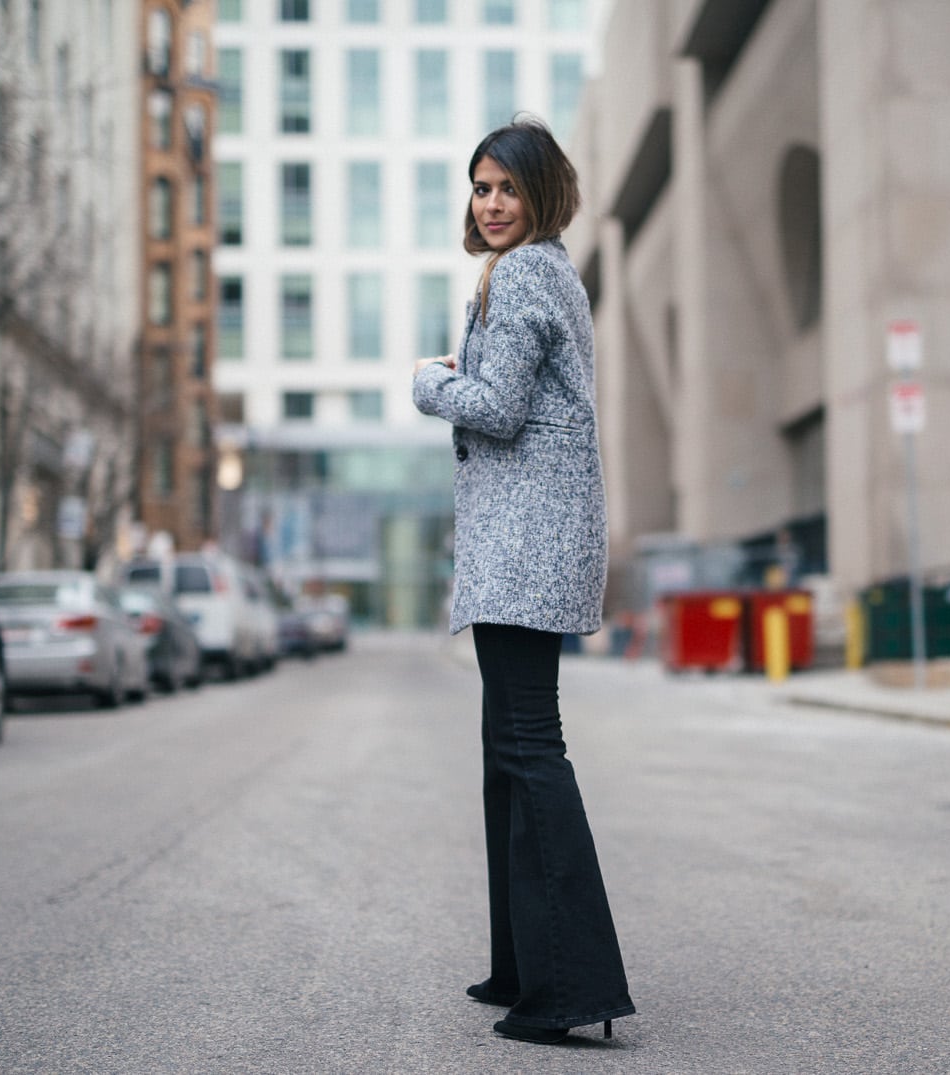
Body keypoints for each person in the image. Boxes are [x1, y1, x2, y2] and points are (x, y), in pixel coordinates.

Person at [412, 118, 635, 1046]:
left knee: (529, 750)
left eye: (507, 187)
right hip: (528, 540)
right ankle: (522, 966)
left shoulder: (532, 269)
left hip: (527, 546)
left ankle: (571, 988)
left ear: (541, 195)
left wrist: (432, 382)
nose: (491, 203)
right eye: (480, 187)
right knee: (507, 754)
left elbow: (497, 408)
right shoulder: (530, 273)